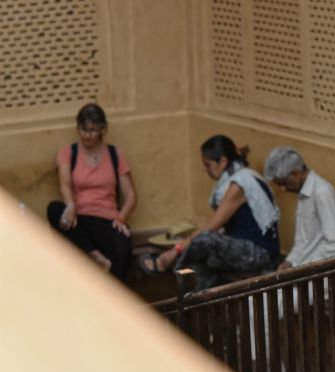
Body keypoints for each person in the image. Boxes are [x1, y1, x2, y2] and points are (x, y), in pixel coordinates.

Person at [144, 135, 280, 290]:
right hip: (239, 247)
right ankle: (198, 303)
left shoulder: (240, 184)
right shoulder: (238, 179)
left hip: (259, 253)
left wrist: (176, 249)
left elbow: (212, 226)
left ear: (222, 161)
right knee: (197, 263)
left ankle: (166, 263)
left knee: (206, 240)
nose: (206, 170)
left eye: (208, 165)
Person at [47, 103, 138, 282]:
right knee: (55, 210)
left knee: (123, 250)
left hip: (107, 219)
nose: (87, 135)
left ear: (103, 130)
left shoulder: (114, 154)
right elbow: (64, 183)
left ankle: (112, 297)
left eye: (93, 130)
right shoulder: (68, 152)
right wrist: (71, 205)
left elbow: (131, 196)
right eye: (83, 129)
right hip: (79, 218)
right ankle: (95, 255)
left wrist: (121, 219)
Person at [263, 147, 335, 270]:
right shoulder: (303, 194)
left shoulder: (322, 192)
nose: (283, 189)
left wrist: (307, 266)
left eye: (284, 183)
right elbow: (303, 240)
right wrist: (290, 261)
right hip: (302, 269)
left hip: (319, 275)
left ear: (296, 174)